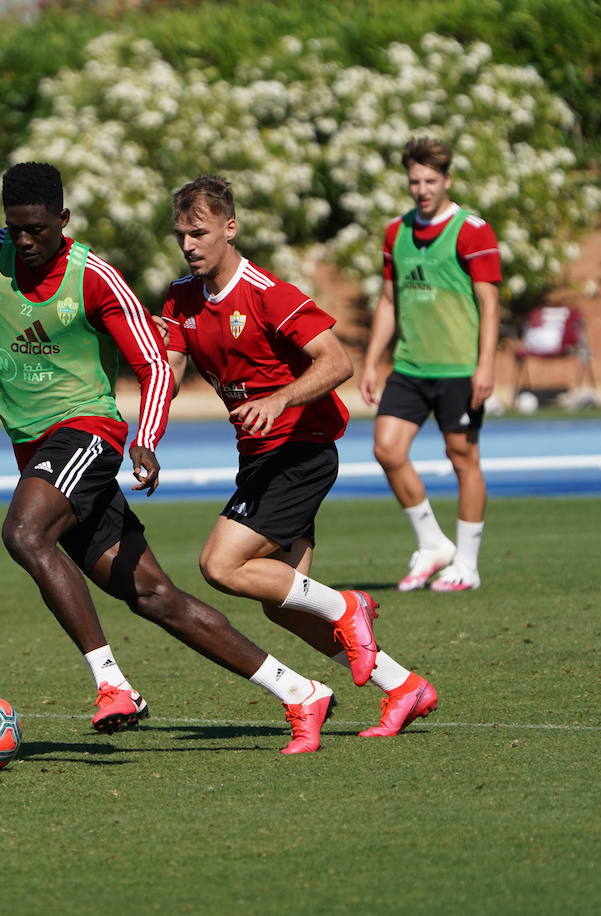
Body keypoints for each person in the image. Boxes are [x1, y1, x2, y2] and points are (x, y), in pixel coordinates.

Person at [0, 161, 370, 753]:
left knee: (24, 533)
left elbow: (155, 364)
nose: (25, 241)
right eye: (16, 228)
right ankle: (299, 692)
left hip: (86, 434)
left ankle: (112, 684)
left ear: (63, 220)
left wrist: (145, 438)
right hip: (40, 451)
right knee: (156, 597)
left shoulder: (96, 278)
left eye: (37, 228)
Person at [160, 175, 438, 738]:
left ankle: (345, 607)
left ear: (229, 229)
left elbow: (337, 362)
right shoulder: (181, 297)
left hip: (300, 452)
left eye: (200, 232)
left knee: (220, 565)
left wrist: (281, 397)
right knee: (284, 603)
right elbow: (165, 366)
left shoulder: (267, 293)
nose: (189, 245)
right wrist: (143, 432)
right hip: (260, 459)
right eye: (181, 235)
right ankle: (404, 687)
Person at [359, 137, 501, 593]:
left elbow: (490, 304)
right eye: (414, 180)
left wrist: (485, 366)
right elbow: (387, 301)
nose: (421, 189)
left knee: (463, 458)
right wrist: (371, 361)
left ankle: (468, 564)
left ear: (447, 180)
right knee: (387, 450)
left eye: (430, 181)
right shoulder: (395, 232)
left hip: (459, 369)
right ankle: (432, 544)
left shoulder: (472, 230)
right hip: (410, 366)